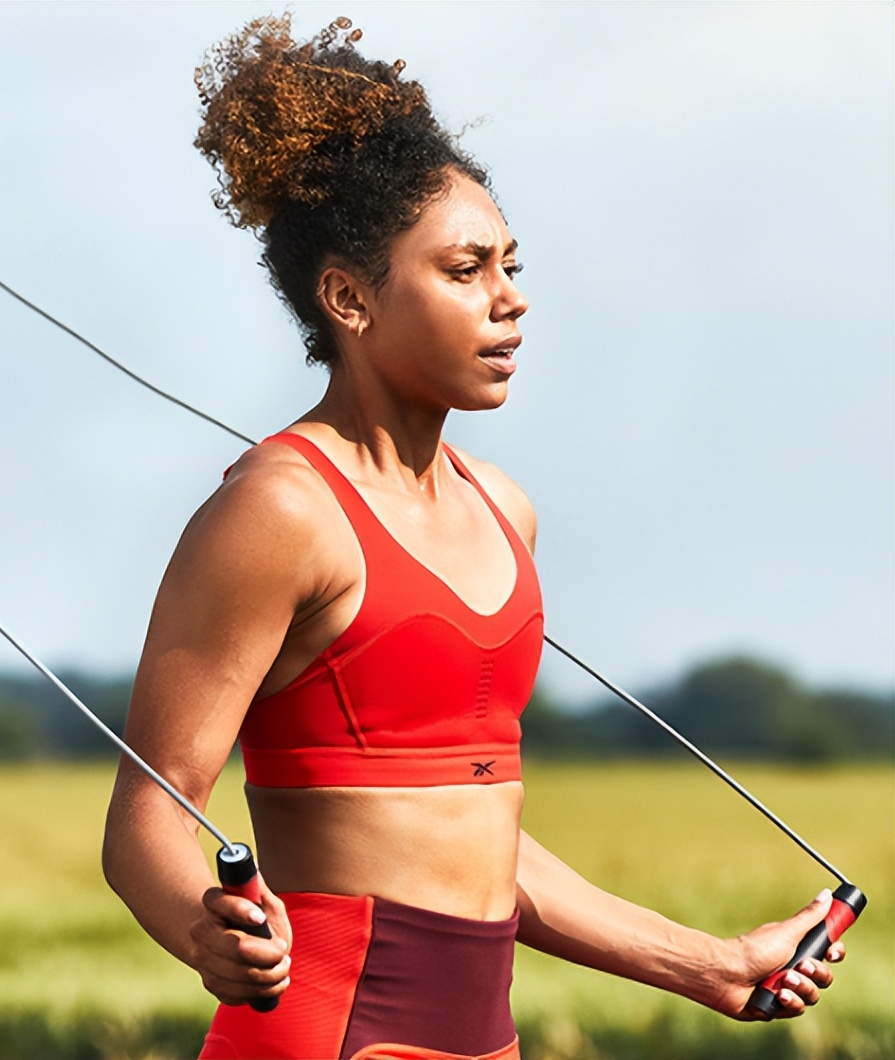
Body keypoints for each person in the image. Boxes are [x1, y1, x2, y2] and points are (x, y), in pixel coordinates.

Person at [102, 16, 844, 1060]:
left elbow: (472, 847)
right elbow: (146, 817)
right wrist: (200, 927)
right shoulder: (279, 511)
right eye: (463, 270)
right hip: (327, 1035)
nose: (509, 299)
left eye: (509, 263)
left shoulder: (504, 510)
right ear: (348, 297)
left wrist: (707, 964)